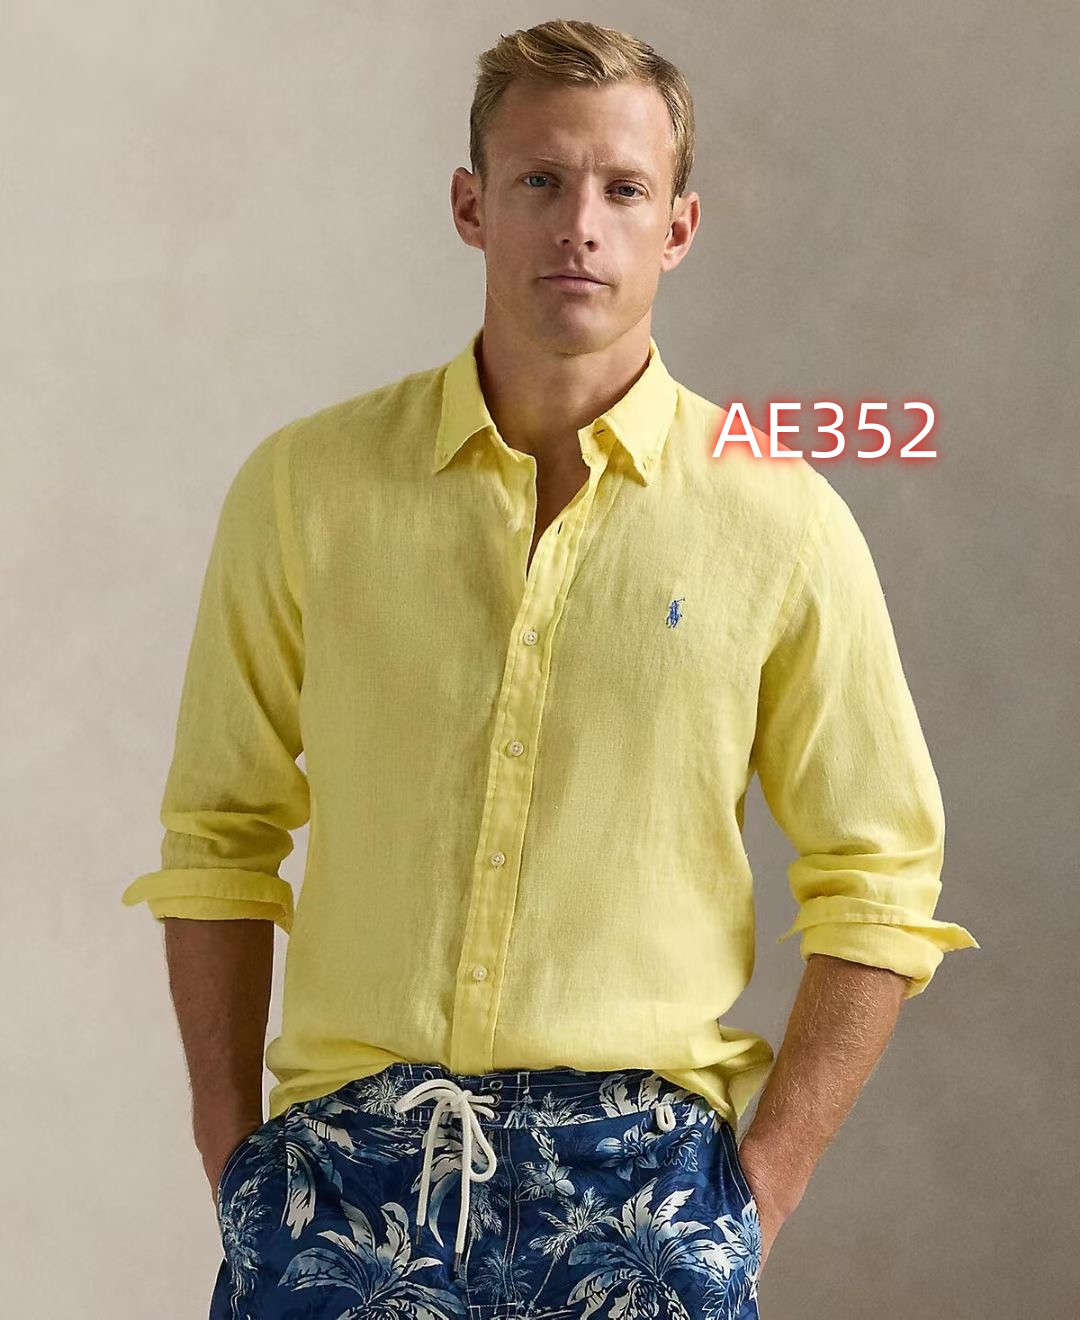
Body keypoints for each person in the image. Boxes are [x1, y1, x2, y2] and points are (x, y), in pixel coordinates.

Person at [122, 18, 979, 1319]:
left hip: (646, 1185)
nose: (581, 224)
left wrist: (759, 1194)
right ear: (471, 206)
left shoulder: (780, 518)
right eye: (541, 179)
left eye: (624, 188)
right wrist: (233, 1156)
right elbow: (218, 837)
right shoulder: (306, 489)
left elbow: (882, 879)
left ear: (678, 227)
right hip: (343, 1176)